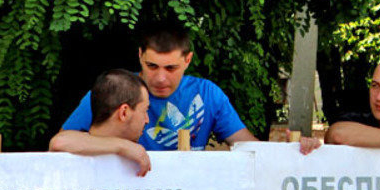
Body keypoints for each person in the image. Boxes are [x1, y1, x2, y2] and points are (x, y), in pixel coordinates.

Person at [57, 23, 320, 167]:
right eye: (152, 66)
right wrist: (124, 147)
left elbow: (247, 146)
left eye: (170, 68)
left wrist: (294, 151)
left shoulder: (208, 94)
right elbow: (62, 142)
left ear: (188, 60)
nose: (160, 78)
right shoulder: (117, 89)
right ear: (140, 56)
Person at [50, 69, 152, 176]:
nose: (147, 120)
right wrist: (123, 146)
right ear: (124, 112)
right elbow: (59, 142)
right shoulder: (73, 147)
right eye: (144, 111)